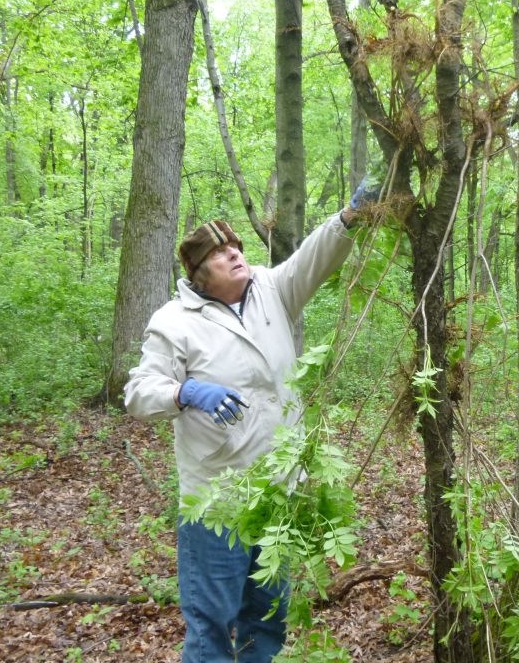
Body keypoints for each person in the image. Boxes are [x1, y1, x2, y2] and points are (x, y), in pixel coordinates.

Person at [125, 196, 371, 663]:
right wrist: (184, 392)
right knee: (211, 623)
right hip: (218, 499)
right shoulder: (174, 322)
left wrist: (348, 217)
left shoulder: (272, 290)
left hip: (278, 492)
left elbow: (314, 257)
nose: (235, 254)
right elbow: (139, 393)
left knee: (268, 619)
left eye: (236, 247)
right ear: (201, 273)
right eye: (221, 253)